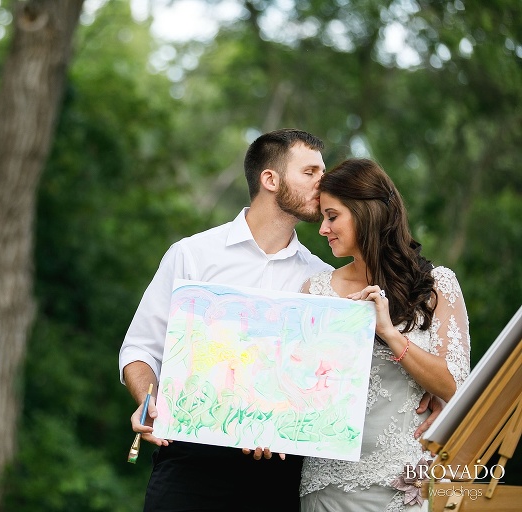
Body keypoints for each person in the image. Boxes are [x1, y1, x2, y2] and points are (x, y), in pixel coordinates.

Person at [119, 129, 443, 512]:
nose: (323, 181)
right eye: (310, 171)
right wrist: (147, 399)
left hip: (280, 475)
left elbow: (343, 375)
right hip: (191, 465)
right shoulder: (192, 255)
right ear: (270, 180)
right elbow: (140, 348)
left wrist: (426, 391)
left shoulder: (324, 279)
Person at [298, 158, 471, 512]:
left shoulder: (436, 285)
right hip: (331, 488)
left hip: (409, 485)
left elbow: (456, 386)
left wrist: (390, 334)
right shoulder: (315, 292)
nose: (323, 229)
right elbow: (298, 391)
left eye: (332, 216)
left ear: (366, 213)